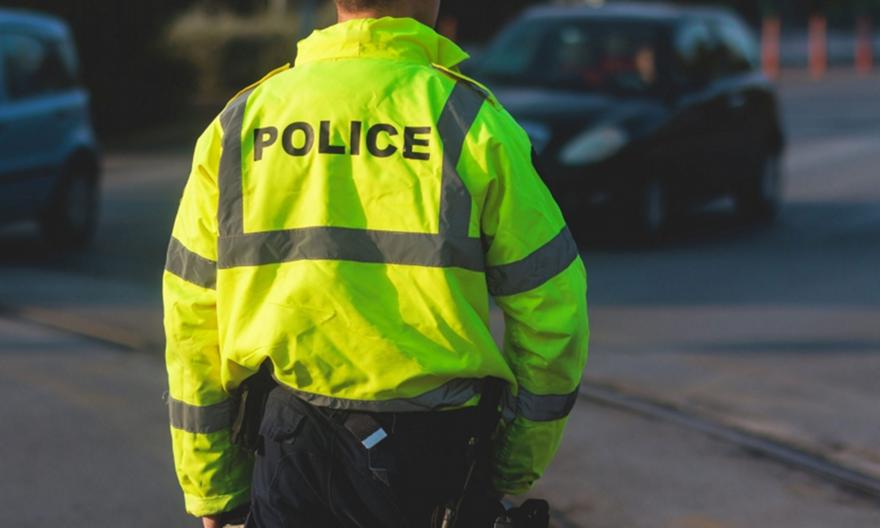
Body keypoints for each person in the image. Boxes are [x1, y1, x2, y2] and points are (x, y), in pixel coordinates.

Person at [162, 1, 589, 526]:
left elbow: (191, 321)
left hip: (287, 451)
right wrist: (511, 464)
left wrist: (214, 487)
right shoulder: (470, 120)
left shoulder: (242, 121)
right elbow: (555, 311)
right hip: (432, 463)